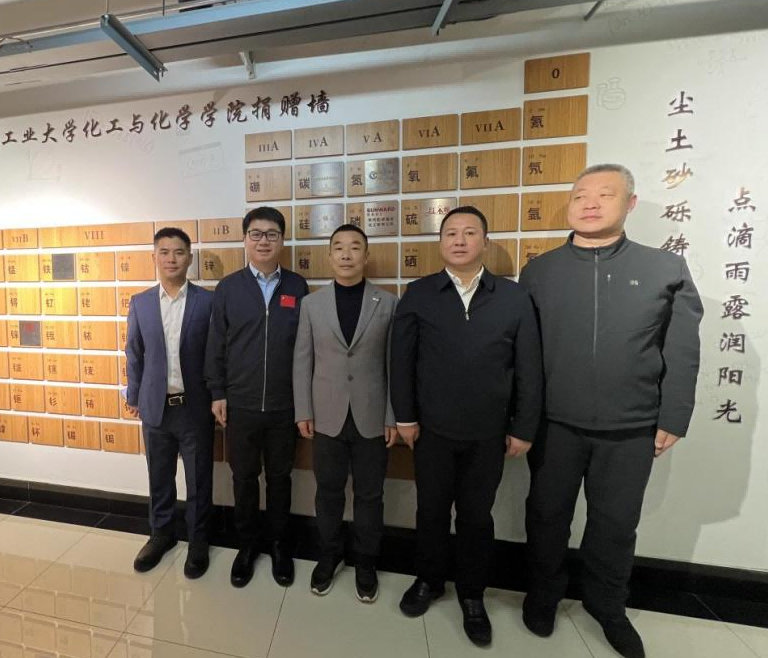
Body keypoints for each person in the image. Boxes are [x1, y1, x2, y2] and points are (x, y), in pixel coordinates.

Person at [519, 164, 703, 658]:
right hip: (555, 423)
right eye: (581, 195)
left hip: (631, 427)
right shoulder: (539, 272)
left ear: (631, 204)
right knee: (546, 516)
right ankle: (542, 596)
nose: (591, 203)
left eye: (605, 194)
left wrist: (674, 415)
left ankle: (608, 606)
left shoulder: (665, 268)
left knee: (616, 525)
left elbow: (682, 348)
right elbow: (523, 354)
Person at [390, 206, 542, 647]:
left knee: (477, 517)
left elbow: (529, 367)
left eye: (469, 232)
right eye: (451, 233)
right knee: (431, 511)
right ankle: (428, 580)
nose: (459, 240)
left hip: (488, 433)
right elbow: (401, 360)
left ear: (485, 242)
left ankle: (472, 595)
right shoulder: (419, 293)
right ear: (440, 243)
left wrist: (523, 426)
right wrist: (405, 417)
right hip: (432, 430)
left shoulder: (512, 297)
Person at [293, 224, 398, 603]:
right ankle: (329, 555)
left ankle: (366, 562)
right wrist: (303, 410)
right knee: (328, 492)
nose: (347, 254)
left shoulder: (388, 303)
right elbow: (302, 360)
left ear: (366, 256)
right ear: (330, 256)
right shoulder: (312, 304)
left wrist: (392, 415)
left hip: (372, 416)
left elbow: (394, 365)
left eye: (355, 247)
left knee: (370, 495)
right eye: (339, 247)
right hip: (326, 416)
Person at [205, 206, 309, 588]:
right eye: (256, 234)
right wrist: (218, 392)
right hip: (241, 404)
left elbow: (306, 349)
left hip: (284, 405)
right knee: (244, 478)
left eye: (271, 234)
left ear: (282, 240)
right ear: (245, 239)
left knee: (280, 479)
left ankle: (280, 546)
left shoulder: (297, 286)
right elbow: (216, 345)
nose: (263, 241)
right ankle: (246, 546)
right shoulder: (229, 288)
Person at [125, 227, 215, 579]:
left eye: (178, 252)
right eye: (164, 252)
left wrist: (217, 398)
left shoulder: (207, 302)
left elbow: (215, 355)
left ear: (189, 258)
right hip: (155, 408)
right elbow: (134, 353)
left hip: (195, 407)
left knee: (199, 479)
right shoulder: (141, 302)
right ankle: (161, 534)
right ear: (154, 257)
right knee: (159, 477)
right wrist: (134, 395)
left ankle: (198, 541)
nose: (171, 259)